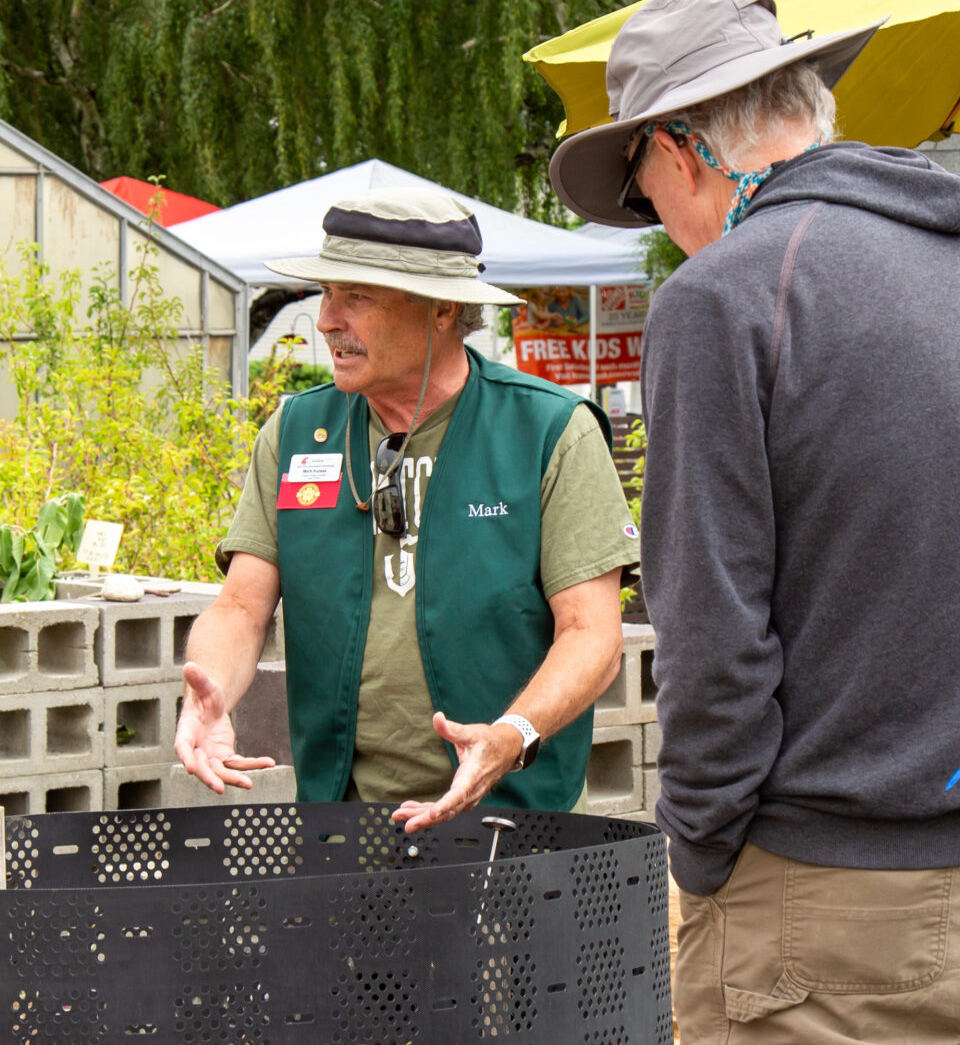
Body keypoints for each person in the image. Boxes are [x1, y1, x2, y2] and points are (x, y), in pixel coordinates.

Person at [550, 0, 960, 1043]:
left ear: (678, 149)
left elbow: (710, 633)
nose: (656, 228)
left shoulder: (722, 302)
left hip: (831, 888)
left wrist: (702, 854)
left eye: (639, 194)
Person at [174, 186, 639, 831]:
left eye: (356, 296)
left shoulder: (548, 432)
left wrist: (511, 736)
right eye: (326, 293)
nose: (327, 319)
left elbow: (594, 635)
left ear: (443, 308)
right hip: (342, 828)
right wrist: (215, 689)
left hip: (514, 826)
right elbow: (242, 604)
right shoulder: (297, 431)